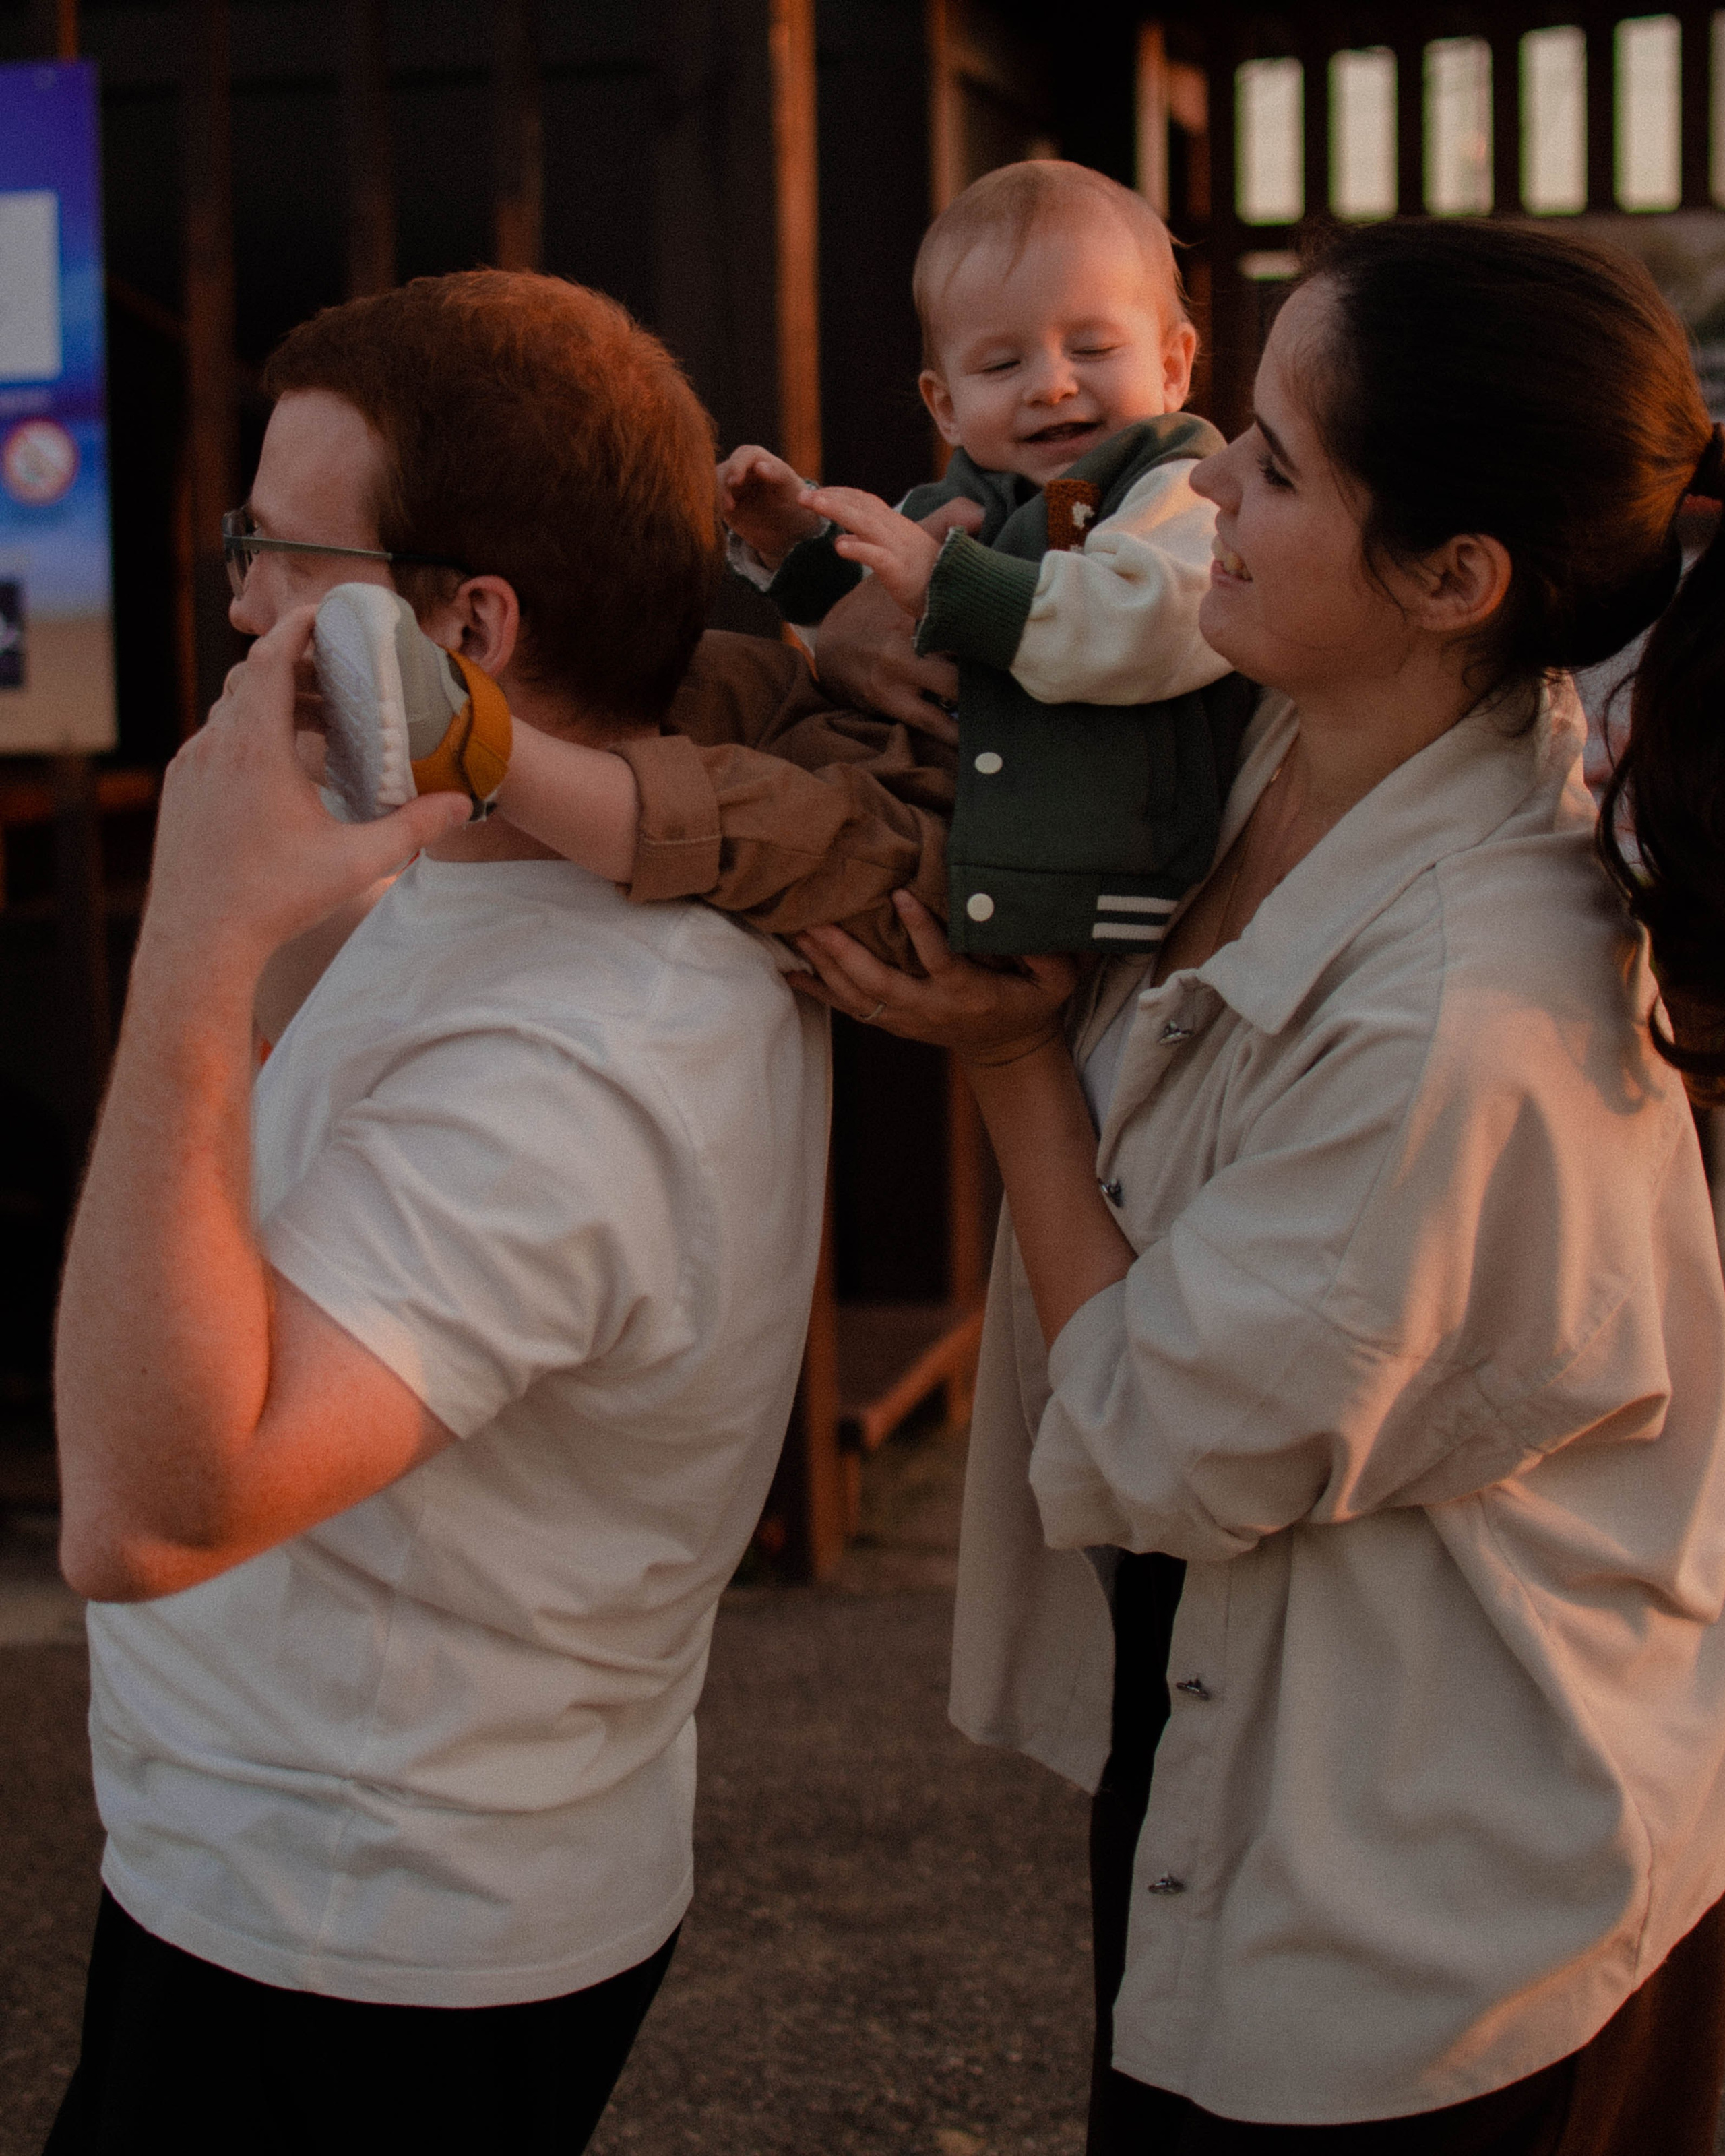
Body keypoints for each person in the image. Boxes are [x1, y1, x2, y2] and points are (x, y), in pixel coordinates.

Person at [789, 219, 1725, 2152]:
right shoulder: (1275, 730)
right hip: (1267, 1765)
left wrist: (1011, 1058)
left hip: (1431, 1920)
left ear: (1457, 578)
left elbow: (1150, 1442)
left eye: (1278, 464)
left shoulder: (1468, 1026)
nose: (1199, 474)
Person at [47, 270, 830, 2155]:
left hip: (356, 1932)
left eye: (274, 549)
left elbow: (154, 1512)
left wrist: (190, 939)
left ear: (464, 627)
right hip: (306, 1853)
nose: (235, 596)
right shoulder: (464, 866)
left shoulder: (579, 1057)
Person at [407, 162, 1245, 966]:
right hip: (920, 778)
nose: (1053, 386)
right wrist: (794, 545)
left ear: (1173, 366)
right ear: (946, 405)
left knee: (779, 812)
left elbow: (1155, 621)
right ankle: (470, 726)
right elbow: (866, 633)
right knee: (716, 675)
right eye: (1002, 364)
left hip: (1026, 854)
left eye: (1092, 349)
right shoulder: (967, 501)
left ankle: (491, 753)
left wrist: (946, 583)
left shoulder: (1173, 485)